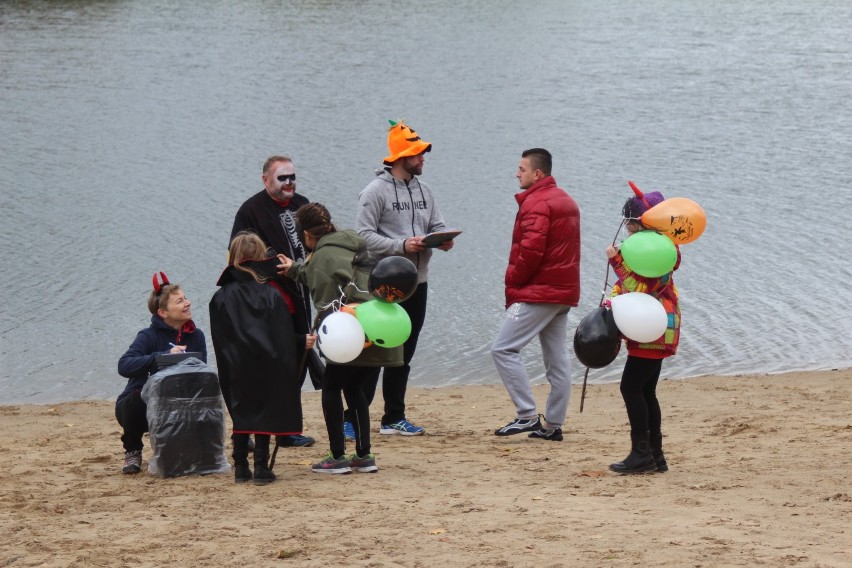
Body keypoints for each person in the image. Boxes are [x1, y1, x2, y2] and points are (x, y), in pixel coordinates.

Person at [278, 203, 404, 474]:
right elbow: (334, 277)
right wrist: (294, 270)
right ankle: (363, 455)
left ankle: (337, 457)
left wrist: (318, 332)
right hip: (378, 325)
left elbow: (327, 301)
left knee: (332, 387)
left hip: (350, 331)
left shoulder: (322, 256)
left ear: (307, 235)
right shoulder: (353, 243)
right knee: (355, 387)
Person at [355, 120, 455, 436]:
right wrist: (401, 245)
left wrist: (443, 239)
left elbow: (437, 225)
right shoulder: (374, 192)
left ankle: (393, 418)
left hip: (418, 282)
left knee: (405, 352)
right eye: (417, 154)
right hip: (383, 284)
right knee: (373, 351)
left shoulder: (426, 190)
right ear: (401, 158)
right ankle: (352, 416)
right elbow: (362, 236)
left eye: (422, 153)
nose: (423, 158)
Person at [209, 232, 316, 484]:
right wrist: (301, 341)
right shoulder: (270, 294)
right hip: (265, 362)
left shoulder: (220, 297)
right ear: (260, 257)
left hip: (234, 363)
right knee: (264, 413)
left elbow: (219, 337)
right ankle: (261, 468)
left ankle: (240, 470)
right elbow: (280, 335)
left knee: (241, 411)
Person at [492, 148, 580, 442]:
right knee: (557, 359)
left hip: (541, 292)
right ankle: (553, 424)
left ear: (537, 174)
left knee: (503, 349)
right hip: (562, 292)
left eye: (521, 169)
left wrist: (514, 282)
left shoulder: (538, 203)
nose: (517, 173)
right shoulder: (564, 199)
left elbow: (530, 252)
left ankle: (526, 415)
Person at [230, 155, 316, 448]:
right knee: (271, 362)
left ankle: (286, 427)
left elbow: (320, 239)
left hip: (300, 293)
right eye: (283, 178)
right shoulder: (251, 211)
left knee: (300, 357)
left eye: (293, 176)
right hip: (269, 298)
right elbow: (239, 258)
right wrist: (275, 267)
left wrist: (311, 264)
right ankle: (262, 427)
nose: (290, 183)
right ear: (266, 180)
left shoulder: (302, 203)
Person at [605, 188, 681, 474]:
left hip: (653, 327)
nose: (626, 229)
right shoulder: (663, 247)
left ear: (642, 224)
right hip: (659, 326)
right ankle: (655, 455)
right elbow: (631, 287)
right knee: (646, 390)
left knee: (631, 387)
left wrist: (617, 262)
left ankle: (642, 455)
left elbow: (639, 287)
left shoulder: (656, 253)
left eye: (630, 223)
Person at [116, 273, 207, 474]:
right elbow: (124, 365)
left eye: (186, 298)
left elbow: (202, 373)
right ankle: (132, 451)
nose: (188, 303)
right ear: (163, 312)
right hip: (144, 406)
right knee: (132, 400)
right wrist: (161, 357)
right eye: (180, 301)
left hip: (178, 403)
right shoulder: (147, 336)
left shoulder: (196, 336)